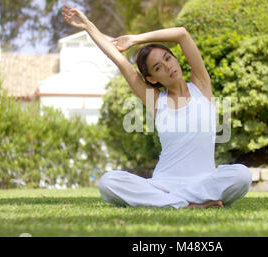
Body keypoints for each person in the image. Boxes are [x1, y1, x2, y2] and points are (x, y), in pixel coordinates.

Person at [62, 5, 252, 209]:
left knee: (242, 175)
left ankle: (175, 203)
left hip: (203, 183)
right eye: (158, 67)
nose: (168, 66)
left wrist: (135, 39)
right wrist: (89, 26)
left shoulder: (201, 86)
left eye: (168, 58)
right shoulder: (156, 100)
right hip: (164, 185)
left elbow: (182, 34)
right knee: (108, 182)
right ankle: (189, 204)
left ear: (176, 59)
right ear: (152, 79)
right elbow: (120, 61)